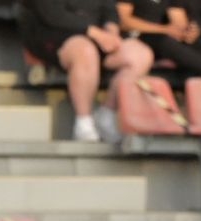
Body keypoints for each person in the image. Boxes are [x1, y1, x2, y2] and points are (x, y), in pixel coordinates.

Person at [16, 0, 154, 142]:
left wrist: (111, 31)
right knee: (85, 52)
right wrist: (95, 33)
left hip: (98, 36)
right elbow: (53, 15)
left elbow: (110, 9)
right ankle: (84, 121)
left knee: (140, 55)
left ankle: (107, 113)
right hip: (54, 35)